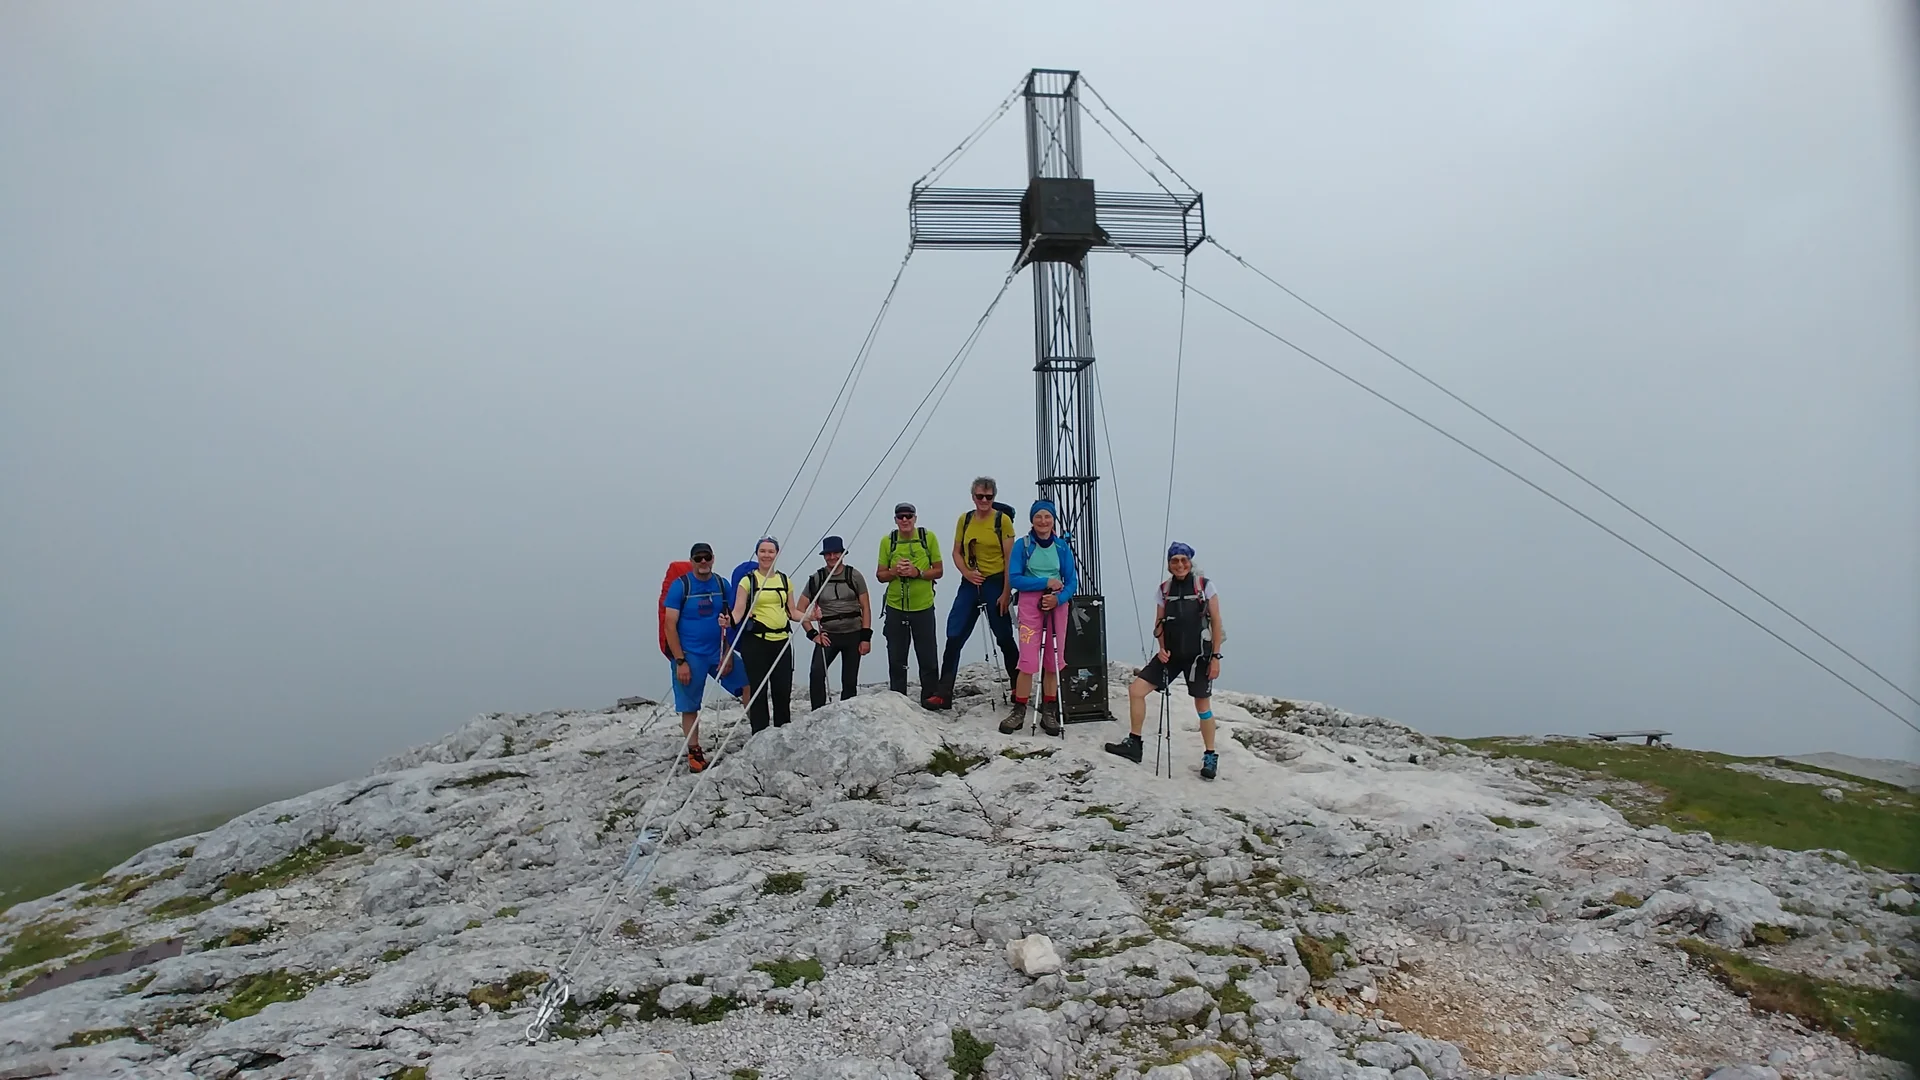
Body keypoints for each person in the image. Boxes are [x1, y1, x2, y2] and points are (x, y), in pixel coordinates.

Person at [1106, 542, 1227, 779]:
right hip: (1170, 656)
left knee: (1202, 707)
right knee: (1136, 690)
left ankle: (1210, 755)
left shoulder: (1204, 586)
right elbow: (1159, 623)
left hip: (1198, 657)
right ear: (1169, 564)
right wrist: (1161, 649)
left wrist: (1215, 657)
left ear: (1190, 562)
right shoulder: (1164, 589)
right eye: (1175, 561)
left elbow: (1216, 622)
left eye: (1183, 560)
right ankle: (1134, 744)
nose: (1180, 564)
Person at [660, 542, 750, 772]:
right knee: (690, 706)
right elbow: (670, 625)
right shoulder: (681, 587)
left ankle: (757, 730)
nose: (703, 562)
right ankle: (695, 752)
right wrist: (680, 661)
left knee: (749, 684)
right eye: (698, 558)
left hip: (717, 651)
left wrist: (728, 653)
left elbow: (729, 620)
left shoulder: (722, 584)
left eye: (706, 557)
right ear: (691, 561)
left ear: (713, 559)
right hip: (690, 656)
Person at [936, 477, 1020, 706]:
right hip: (970, 582)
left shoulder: (1002, 521)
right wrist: (966, 573)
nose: (984, 500)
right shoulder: (965, 520)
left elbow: (1009, 559)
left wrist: (1006, 593)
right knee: (954, 634)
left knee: (1003, 636)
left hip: (995, 582)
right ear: (973, 496)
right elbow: (956, 552)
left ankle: (1017, 686)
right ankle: (943, 693)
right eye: (980, 496)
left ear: (994, 497)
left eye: (989, 497)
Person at [1001, 500, 1078, 736]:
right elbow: (1015, 578)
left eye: (1047, 516)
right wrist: (1045, 583)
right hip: (1029, 604)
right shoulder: (1022, 546)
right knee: (1027, 659)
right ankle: (1019, 710)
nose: (1043, 521)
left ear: (1053, 519)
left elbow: (1072, 581)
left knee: (1053, 659)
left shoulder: (1062, 547)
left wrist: (1058, 598)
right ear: (1032, 520)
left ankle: (1049, 712)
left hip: (1057, 605)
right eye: (1038, 517)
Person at [874, 502, 943, 707]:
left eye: (908, 516)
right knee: (896, 656)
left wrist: (917, 573)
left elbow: (939, 570)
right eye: (900, 517)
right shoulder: (888, 541)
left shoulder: (927, 538)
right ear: (895, 520)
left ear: (915, 518)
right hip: (896, 607)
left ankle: (930, 699)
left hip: (923, 606)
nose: (905, 520)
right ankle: (899, 701)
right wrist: (895, 571)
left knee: (928, 655)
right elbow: (880, 575)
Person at [794, 535, 872, 709]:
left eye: (836, 553)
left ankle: (848, 713)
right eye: (828, 554)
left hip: (853, 633)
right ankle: (817, 712)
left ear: (843, 553)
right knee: (816, 673)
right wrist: (813, 634)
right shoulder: (816, 579)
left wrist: (866, 637)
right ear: (824, 556)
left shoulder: (854, 575)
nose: (832, 557)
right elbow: (799, 610)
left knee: (850, 679)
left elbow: (866, 607)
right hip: (828, 635)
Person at [730, 537, 795, 733]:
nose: (766, 555)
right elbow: (738, 611)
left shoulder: (785, 580)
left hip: (782, 641)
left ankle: (783, 733)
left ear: (777, 554)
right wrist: (729, 620)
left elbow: (792, 611)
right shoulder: (747, 581)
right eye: (763, 551)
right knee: (758, 690)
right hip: (756, 642)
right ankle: (760, 734)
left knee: (782, 690)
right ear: (757, 554)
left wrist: (811, 615)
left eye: (770, 551)